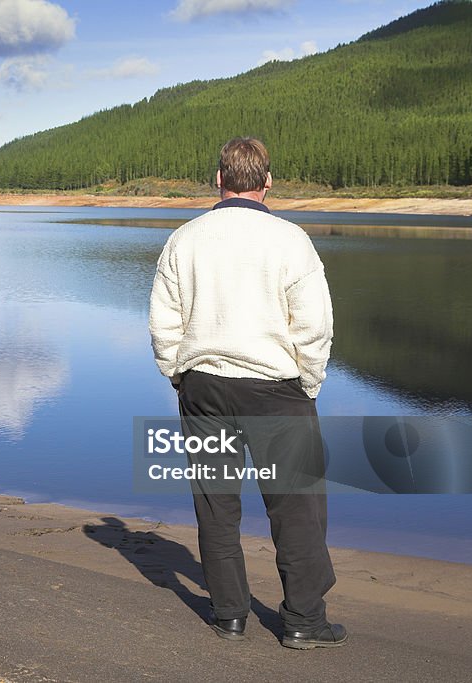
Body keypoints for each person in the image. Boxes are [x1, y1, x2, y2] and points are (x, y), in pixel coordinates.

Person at [148, 137, 346, 649]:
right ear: (268, 183)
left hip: (204, 388)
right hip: (275, 390)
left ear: (219, 180)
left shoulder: (184, 239)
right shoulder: (290, 240)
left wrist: (178, 373)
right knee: (295, 506)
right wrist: (309, 384)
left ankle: (229, 614)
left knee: (216, 504)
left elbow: (164, 321)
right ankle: (304, 621)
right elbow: (314, 325)